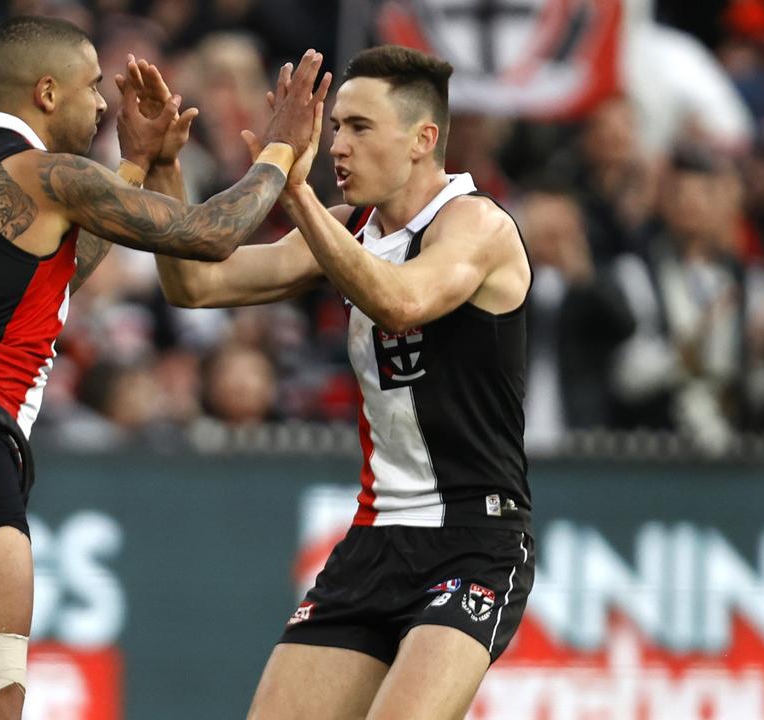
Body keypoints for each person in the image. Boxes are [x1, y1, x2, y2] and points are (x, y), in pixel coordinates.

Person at [0, 15, 328, 720]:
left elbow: (46, 283)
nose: (104, 106)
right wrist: (281, 152)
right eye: (89, 88)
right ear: (46, 92)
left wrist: (132, 168)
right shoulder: (40, 170)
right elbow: (212, 234)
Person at [150, 45, 535, 719]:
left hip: (474, 541)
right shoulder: (347, 226)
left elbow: (402, 301)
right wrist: (161, 167)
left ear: (423, 139)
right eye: (334, 129)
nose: (338, 146)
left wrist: (294, 193)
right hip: (374, 540)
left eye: (359, 127)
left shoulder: (477, 225)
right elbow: (195, 284)